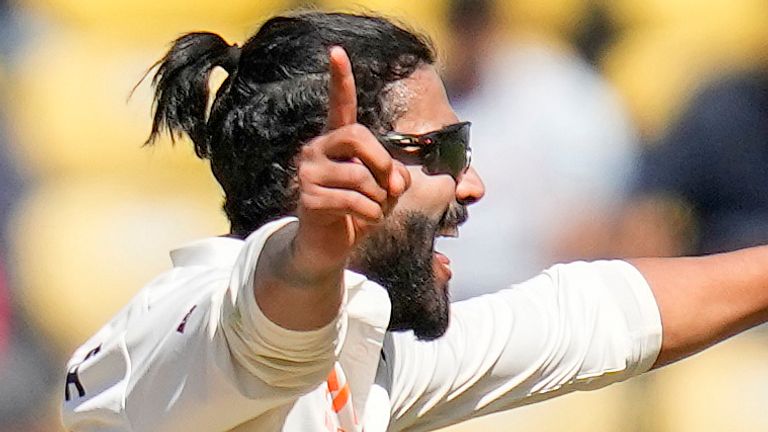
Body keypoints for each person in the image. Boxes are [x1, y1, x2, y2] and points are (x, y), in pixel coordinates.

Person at [62, 11, 768, 432]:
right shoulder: (184, 328)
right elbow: (260, 332)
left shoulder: (365, 339)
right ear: (334, 170)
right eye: (447, 151)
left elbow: (589, 318)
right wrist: (309, 254)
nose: (474, 183)